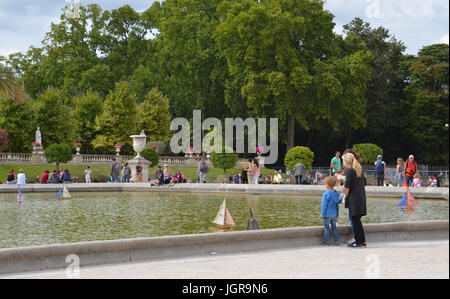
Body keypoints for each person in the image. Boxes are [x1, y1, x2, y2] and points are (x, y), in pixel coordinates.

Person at [343, 153, 367, 248]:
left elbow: (347, 186)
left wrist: (345, 195)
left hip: (353, 199)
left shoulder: (350, 171)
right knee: (358, 221)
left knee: (355, 221)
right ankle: (362, 241)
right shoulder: (359, 169)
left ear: (346, 161)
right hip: (360, 198)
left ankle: (358, 242)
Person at [321, 176, 343, 246]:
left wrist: (322, 214)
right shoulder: (336, 193)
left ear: (327, 185)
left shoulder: (326, 193)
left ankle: (326, 242)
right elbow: (337, 206)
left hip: (327, 215)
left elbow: (324, 205)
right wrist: (337, 215)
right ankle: (337, 242)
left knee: (326, 228)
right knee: (334, 228)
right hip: (334, 215)